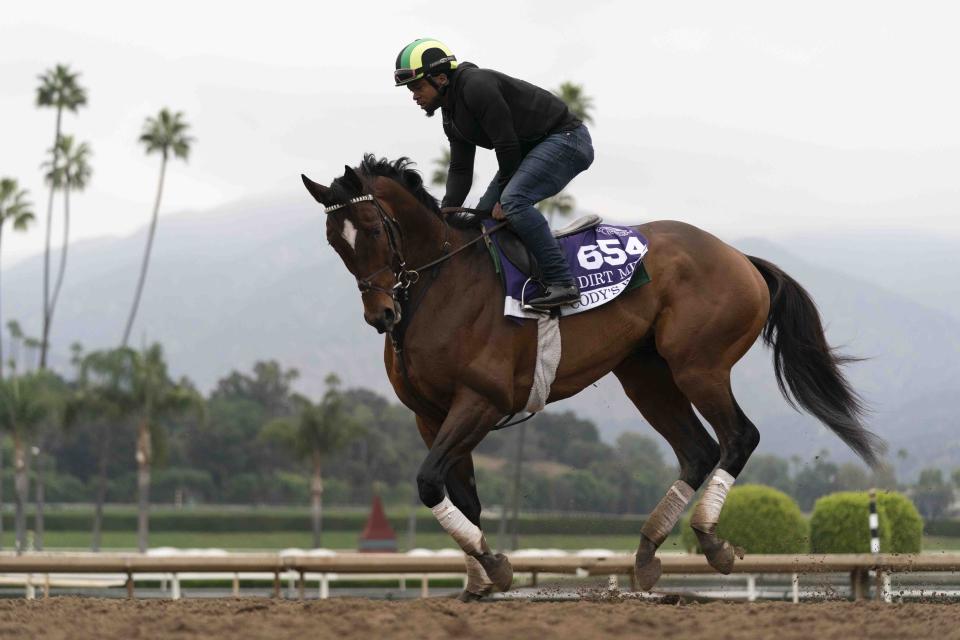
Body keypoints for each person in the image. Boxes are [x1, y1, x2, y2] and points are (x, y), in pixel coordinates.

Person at [394, 38, 594, 309]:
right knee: (482, 219)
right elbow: (461, 168)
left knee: (513, 202)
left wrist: (506, 198)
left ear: (440, 78)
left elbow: (507, 144)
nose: (414, 96)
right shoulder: (450, 113)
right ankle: (520, 284)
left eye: (417, 87)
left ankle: (563, 282)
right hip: (531, 149)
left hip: (567, 140)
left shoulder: (476, 86)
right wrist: (446, 211)